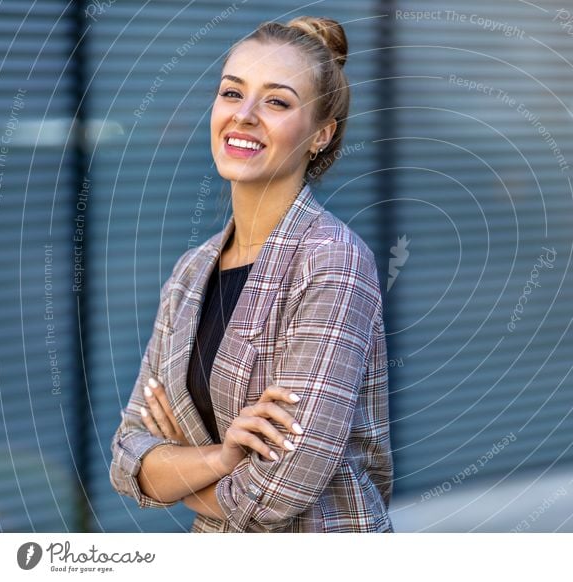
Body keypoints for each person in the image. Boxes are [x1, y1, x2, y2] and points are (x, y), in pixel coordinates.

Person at [109, 16, 394, 533]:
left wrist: (180, 470)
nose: (243, 115)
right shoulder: (191, 272)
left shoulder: (332, 261)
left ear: (320, 136)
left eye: (277, 101)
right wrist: (222, 459)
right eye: (231, 93)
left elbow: (279, 490)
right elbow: (129, 457)